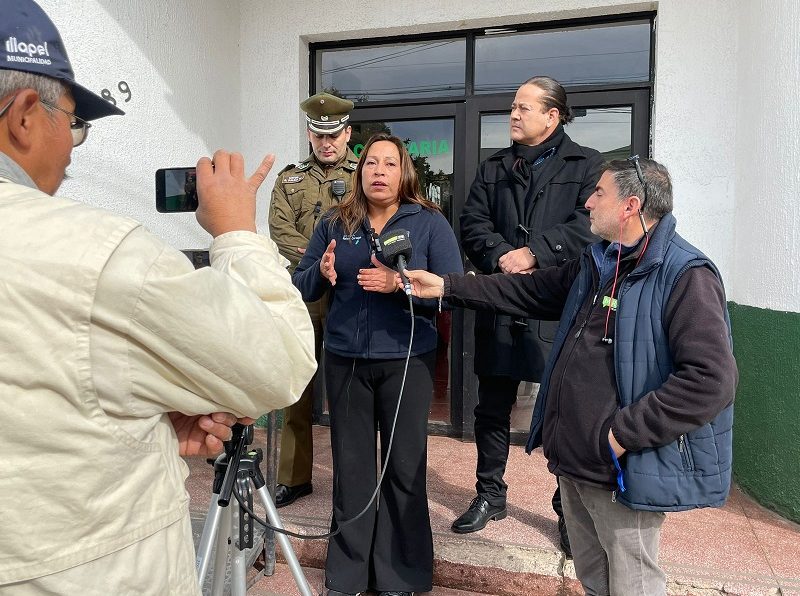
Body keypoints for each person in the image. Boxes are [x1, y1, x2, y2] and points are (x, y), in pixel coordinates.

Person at [0, 2, 316, 594]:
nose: (72, 148)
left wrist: (130, 429)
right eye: (73, 122)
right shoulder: (98, 255)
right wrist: (237, 233)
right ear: (23, 116)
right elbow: (281, 360)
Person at [404, 157, 738, 596]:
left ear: (630, 206)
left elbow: (711, 379)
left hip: (622, 464)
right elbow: (529, 289)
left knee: (632, 583)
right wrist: (448, 286)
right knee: (594, 579)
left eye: (599, 193)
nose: (588, 201)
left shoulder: (684, 274)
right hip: (576, 459)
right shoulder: (598, 261)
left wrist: (622, 434)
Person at [293, 133, 463, 596]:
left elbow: (453, 287)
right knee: (352, 471)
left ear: (404, 171)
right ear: (360, 170)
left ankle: (400, 577)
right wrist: (322, 273)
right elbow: (302, 283)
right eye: (371, 163)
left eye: (389, 163)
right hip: (345, 361)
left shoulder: (429, 222)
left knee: (403, 468)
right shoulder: (335, 220)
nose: (379, 171)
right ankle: (347, 577)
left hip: (407, 361)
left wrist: (399, 283)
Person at [456, 76, 603, 551]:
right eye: (512, 108)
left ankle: (566, 509)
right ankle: (489, 494)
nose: (513, 116)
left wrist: (535, 253)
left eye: (523, 108)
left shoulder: (587, 166)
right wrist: (504, 256)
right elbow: (472, 221)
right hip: (501, 302)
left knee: (562, 413)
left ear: (552, 115)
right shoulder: (494, 166)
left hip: (556, 307)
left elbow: (590, 225)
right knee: (491, 407)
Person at [269, 91, 358, 508]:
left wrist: (340, 261)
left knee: (349, 391)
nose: (327, 143)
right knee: (298, 388)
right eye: (320, 135)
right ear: (309, 134)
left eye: (335, 134)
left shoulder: (364, 176)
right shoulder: (289, 179)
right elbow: (280, 230)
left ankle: (353, 478)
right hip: (304, 292)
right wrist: (318, 259)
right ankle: (294, 477)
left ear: (347, 134)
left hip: (348, 294)